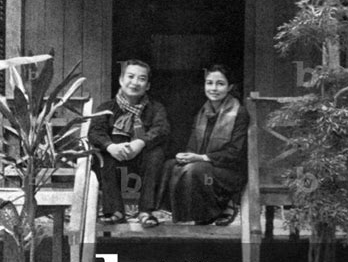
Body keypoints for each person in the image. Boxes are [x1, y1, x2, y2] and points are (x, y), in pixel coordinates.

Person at [160, 64, 248, 226]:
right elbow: (192, 146)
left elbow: (235, 153)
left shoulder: (239, 112)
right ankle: (193, 212)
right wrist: (186, 156)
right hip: (206, 168)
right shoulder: (203, 111)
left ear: (230, 87)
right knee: (171, 165)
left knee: (196, 169)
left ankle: (222, 206)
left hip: (228, 171)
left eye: (220, 84)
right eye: (209, 83)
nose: (213, 88)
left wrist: (200, 157)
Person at [89, 59, 170, 228]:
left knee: (157, 154)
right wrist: (111, 147)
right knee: (102, 156)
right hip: (115, 157)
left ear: (147, 85)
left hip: (143, 158)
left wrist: (140, 143)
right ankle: (115, 211)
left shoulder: (155, 108)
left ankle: (146, 211)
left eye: (141, 79)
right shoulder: (107, 107)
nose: (135, 82)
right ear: (121, 80)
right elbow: (95, 132)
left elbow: (161, 129)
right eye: (130, 76)